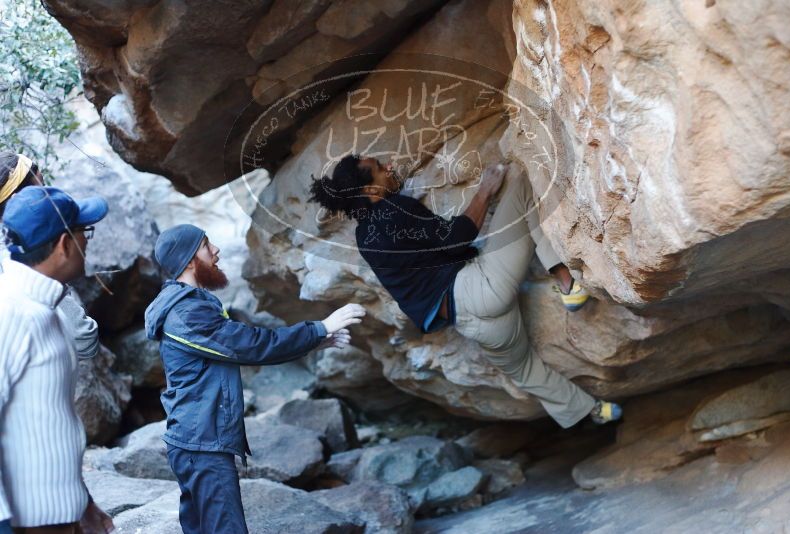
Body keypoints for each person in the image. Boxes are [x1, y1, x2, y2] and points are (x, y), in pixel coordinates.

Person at [310, 154, 622, 429]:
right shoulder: (394, 209)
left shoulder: (365, 236)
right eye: (379, 168)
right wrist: (485, 189)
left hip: (473, 324)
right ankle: (566, 281)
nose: (388, 166)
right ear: (370, 190)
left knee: (524, 370)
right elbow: (456, 238)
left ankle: (596, 410)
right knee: (524, 186)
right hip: (479, 288)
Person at [144, 224, 365, 534]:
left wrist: (317, 341)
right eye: (207, 245)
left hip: (194, 442)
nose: (216, 250)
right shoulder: (186, 313)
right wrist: (319, 328)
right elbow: (251, 344)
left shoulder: (186, 307)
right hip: (203, 445)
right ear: (190, 260)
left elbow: (246, 348)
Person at [0, 186, 114, 534]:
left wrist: (82, 502)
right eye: (85, 232)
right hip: (26, 525)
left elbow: (48, 426)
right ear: (65, 244)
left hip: (58, 517)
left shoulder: (49, 311)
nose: (88, 241)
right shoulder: (13, 313)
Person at [0, 153, 100, 360]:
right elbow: (83, 338)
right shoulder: (16, 256)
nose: (49, 194)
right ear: (17, 200)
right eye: (41, 190)